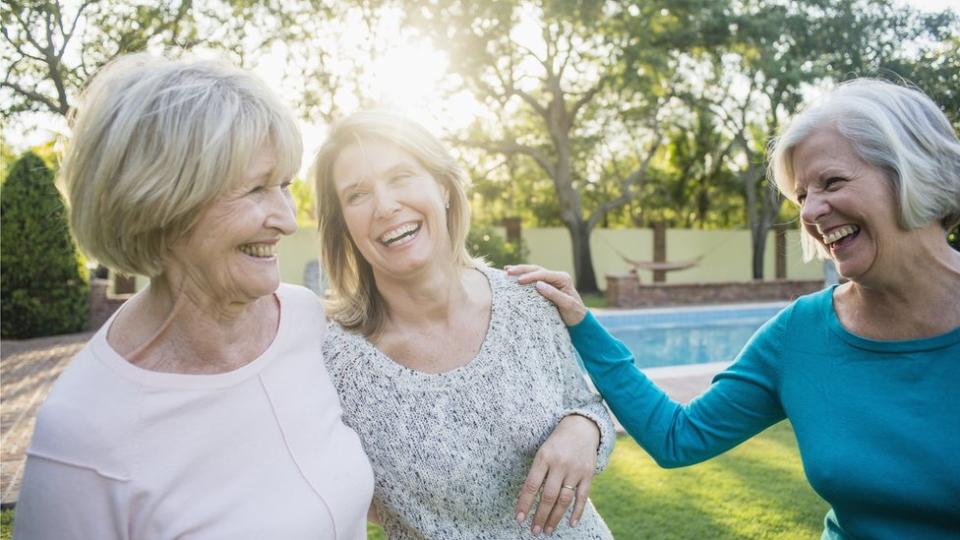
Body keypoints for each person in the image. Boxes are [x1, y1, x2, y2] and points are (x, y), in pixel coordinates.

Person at [508, 78, 960, 540]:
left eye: (832, 182)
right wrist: (583, 325)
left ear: (915, 173)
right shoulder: (799, 334)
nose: (810, 212)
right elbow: (677, 437)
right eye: (802, 195)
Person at [14, 54, 374, 539]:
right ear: (160, 203)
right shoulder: (81, 432)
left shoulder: (306, 321)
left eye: (284, 185)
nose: (287, 219)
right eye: (255, 189)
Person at [313, 110, 616, 539]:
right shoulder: (333, 361)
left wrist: (584, 429)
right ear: (343, 223)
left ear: (443, 187)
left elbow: (586, 402)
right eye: (357, 195)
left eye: (400, 176)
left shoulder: (529, 300)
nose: (385, 206)